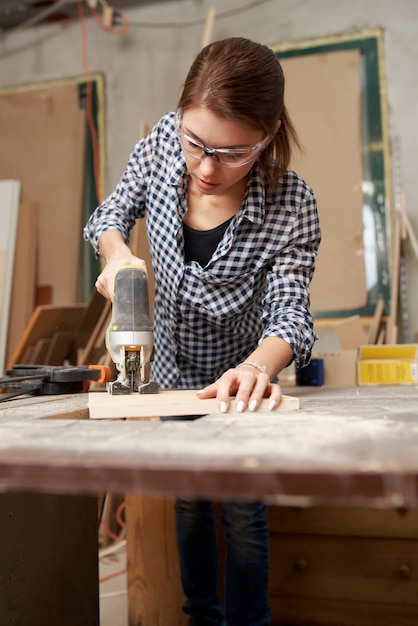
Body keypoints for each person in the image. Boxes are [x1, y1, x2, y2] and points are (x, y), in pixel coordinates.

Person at [84, 36, 320, 626]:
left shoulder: (292, 205)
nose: (207, 168)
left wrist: (255, 369)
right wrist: (116, 257)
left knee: (243, 510)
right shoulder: (164, 144)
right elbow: (109, 216)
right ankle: (201, 618)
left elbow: (291, 316)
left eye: (233, 153)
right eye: (197, 144)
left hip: (242, 382)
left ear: (267, 135)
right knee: (188, 502)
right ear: (180, 122)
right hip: (172, 376)